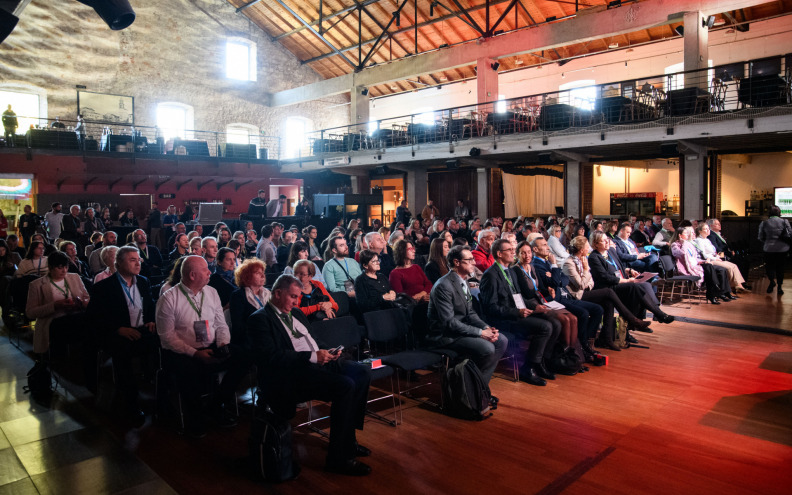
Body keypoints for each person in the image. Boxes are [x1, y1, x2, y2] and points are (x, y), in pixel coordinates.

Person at [247, 274, 372, 476]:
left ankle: (348, 440)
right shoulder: (260, 319)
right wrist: (313, 357)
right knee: (345, 386)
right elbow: (271, 357)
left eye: (297, 297)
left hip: (316, 363)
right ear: (277, 294)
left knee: (362, 372)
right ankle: (338, 458)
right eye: (293, 297)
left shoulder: (295, 313)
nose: (297, 302)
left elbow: (314, 341)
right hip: (291, 374)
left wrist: (328, 350)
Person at [156, 256, 246, 437]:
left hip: (212, 346)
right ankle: (195, 416)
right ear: (192, 275)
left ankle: (215, 405)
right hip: (182, 352)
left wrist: (222, 345)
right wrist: (195, 354)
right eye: (206, 270)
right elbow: (167, 338)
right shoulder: (169, 298)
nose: (210, 273)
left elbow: (221, 325)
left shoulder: (211, 292)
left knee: (244, 358)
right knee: (188, 370)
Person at [86, 246, 158, 423]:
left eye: (138, 259)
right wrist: (118, 329)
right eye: (132, 259)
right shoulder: (103, 287)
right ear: (118, 263)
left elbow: (149, 306)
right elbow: (95, 317)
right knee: (123, 356)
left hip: (142, 329)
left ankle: (161, 395)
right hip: (116, 333)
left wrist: (151, 320)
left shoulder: (142, 281)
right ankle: (131, 404)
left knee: (166, 345)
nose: (138, 262)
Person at [428, 245, 508, 394]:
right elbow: (449, 323)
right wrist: (480, 333)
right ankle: (473, 389)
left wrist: (487, 328)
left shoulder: (463, 281)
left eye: (473, 259)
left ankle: (477, 389)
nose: (474, 263)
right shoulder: (444, 285)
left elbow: (470, 313)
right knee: (487, 348)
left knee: (501, 340)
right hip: (446, 335)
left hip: (460, 328)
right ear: (457, 262)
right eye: (469, 260)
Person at [562, 236, 649, 351]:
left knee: (608, 302)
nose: (589, 248)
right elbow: (580, 285)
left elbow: (590, 281)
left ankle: (607, 339)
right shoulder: (569, 263)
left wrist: (587, 282)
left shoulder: (584, 259)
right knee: (608, 292)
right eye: (587, 246)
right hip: (576, 295)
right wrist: (586, 271)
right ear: (582, 249)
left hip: (587, 291)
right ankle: (632, 319)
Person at [26, 251, 92, 386]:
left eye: (66, 267)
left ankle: (87, 364)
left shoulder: (74, 278)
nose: (64, 270)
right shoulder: (37, 285)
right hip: (53, 322)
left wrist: (81, 302)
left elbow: (87, 299)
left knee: (87, 321)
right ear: (50, 268)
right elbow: (30, 313)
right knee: (85, 322)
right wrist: (55, 305)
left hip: (76, 317)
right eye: (60, 267)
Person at [588, 231, 674, 327]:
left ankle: (655, 314)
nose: (607, 242)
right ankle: (654, 316)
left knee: (645, 284)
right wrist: (627, 280)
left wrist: (629, 270)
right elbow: (605, 277)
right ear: (595, 244)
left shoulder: (611, 251)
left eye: (607, 239)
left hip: (621, 282)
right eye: (603, 241)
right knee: (634, 287)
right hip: (609, 286)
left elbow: (618, 267)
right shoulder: (593, 257)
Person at [671, 226, 733, 304]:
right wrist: (684, 243)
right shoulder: (675, 245)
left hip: (696, 264)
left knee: (716, 268)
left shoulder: (688, 244)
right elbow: (683, 254)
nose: (688, 235)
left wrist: (703, 261)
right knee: (709, 268)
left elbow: (694, 258)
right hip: (686, 268)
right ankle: (715, 291)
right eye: (686, 233)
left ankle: (720, 292)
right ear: (680, 235)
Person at [693, 223, 748, 293]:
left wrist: (717, 256)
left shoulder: (707, 240)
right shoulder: (699, 240)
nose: (708, 230)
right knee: (729, 268)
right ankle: (732, 287)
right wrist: (715, 258)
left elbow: (713, 251)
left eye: (708, 229)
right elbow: (704, 255)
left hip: (714, 258)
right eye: (705, 229)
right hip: (709, 260)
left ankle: (738, 285)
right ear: (700, 231)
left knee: (734, 265)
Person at [229, 258, 270, 348]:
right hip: (249, 341)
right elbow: (238, 326)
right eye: (257, 273)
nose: (263, 275)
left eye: (263, 272)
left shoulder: (268, 293)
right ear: (246, 276)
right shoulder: (238, 296)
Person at [758, 205, 790, 295]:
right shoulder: (784, 221)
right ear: (779, 213)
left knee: (769, 267)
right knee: (780, 268)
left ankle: (772, 281)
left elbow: (760, 237)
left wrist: (768, 241)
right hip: (782, 249)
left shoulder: (764, 223)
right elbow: (790, 234)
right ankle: (780, 287)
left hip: (769, 248)